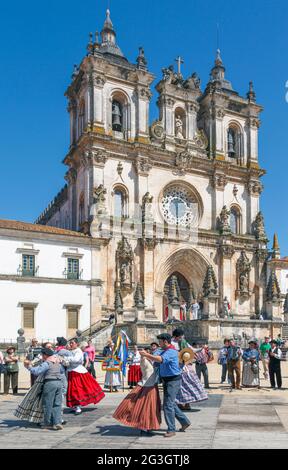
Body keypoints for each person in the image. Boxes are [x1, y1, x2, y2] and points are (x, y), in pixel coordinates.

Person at [140, 333, 191, 438]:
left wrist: (146, 355)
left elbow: (160, 360)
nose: (159, 343)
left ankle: (171, 429)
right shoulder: (164, 350)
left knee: (168, 405)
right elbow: (156, 358)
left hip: (173, 381)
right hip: (166, 380)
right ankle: (184, 421)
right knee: (170, 404)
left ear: (165, 342)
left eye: (160, 341)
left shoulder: (171, 352)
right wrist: (147, 355)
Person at [113, 349, 161, 435]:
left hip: (152, 385)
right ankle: (143, 427)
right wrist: (143, 354)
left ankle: (148, 425)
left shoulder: (151, 360)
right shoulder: (144, 360)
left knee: (151, 407)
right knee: (144, 407)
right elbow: (144, 360)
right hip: (146, 386)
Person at [23, 347, 64, 430]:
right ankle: (57, 422)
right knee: (57, 404)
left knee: (48, 404)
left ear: (45, 355)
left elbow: (37, 371)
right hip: (59, 383)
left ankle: (47, 423)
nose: (41, 356)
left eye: (42, 354)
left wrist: (28, 367)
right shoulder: (58, 362)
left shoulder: (47, 363)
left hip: (50, 383)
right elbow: (62, 372)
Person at [66, 338, 105, 414]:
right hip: (72, 372)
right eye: (70, 343)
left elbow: (76, 360)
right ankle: (75, 406)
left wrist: (66, 358)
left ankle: (78, 407)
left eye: (72, 343)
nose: (71, 344)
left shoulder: (78, 351)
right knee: (72, 390)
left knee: (77, 390)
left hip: (78, 372)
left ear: (77, 344)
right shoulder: (71, 351)